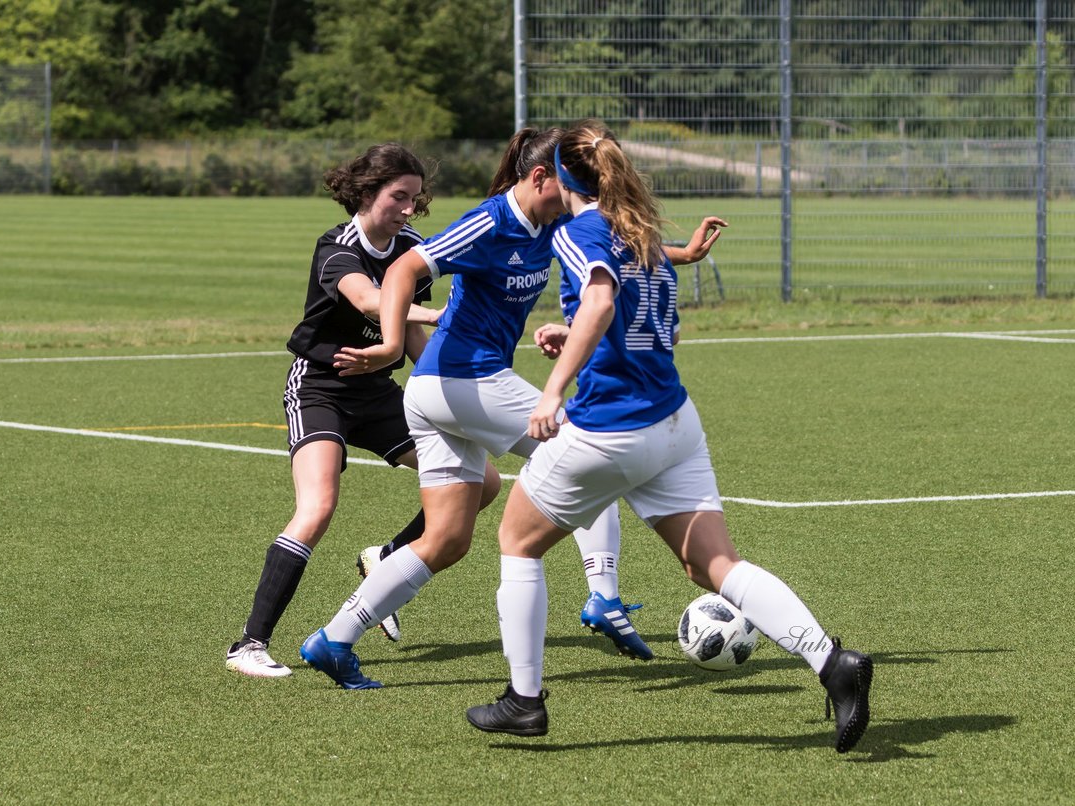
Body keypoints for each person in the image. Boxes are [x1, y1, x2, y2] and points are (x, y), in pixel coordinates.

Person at [463, 121, 873, 754]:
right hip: (675, 424)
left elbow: (600, 305)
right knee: (714, 565)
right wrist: (569, 338)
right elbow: (658, 332)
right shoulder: (642, 234)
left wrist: (552, 391)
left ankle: (524, 702)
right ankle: (831, 661)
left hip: (613, 430)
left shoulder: (580, 230)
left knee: (516, 541)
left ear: (562, 177)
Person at [298, 128, 725, 690]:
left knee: (445, 541)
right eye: (566, 186)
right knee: (586, 447)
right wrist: (390, 343)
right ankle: (604, 596)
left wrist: (683, 255)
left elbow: (613, 251)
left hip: (451, 393)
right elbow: (404, 271)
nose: (573, 199)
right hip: (457, 378)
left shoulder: (550, 225)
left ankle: (333, 639)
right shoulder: (490, 220)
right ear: (538, 177)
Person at [225, 143, 501, 678]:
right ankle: (249, 645)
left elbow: (408, 334)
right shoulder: (337, 247)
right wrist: (446, 313)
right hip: (321, 388)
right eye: (399, 197)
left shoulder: (414, 250)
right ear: (368, 192)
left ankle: (388, 557)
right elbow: (373, 301)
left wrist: (445, 380)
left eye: (415, 199)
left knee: (483, 483)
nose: (408, 208)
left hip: (377, 392)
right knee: (318, 507)